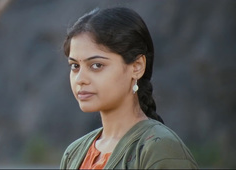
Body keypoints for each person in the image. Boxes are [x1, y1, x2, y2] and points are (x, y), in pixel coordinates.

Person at [60, 7, 198, 169]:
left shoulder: (159, 151)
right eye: (75, 66)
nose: (80, 79)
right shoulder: (75, 153)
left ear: (137, 67)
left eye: (97, 65)